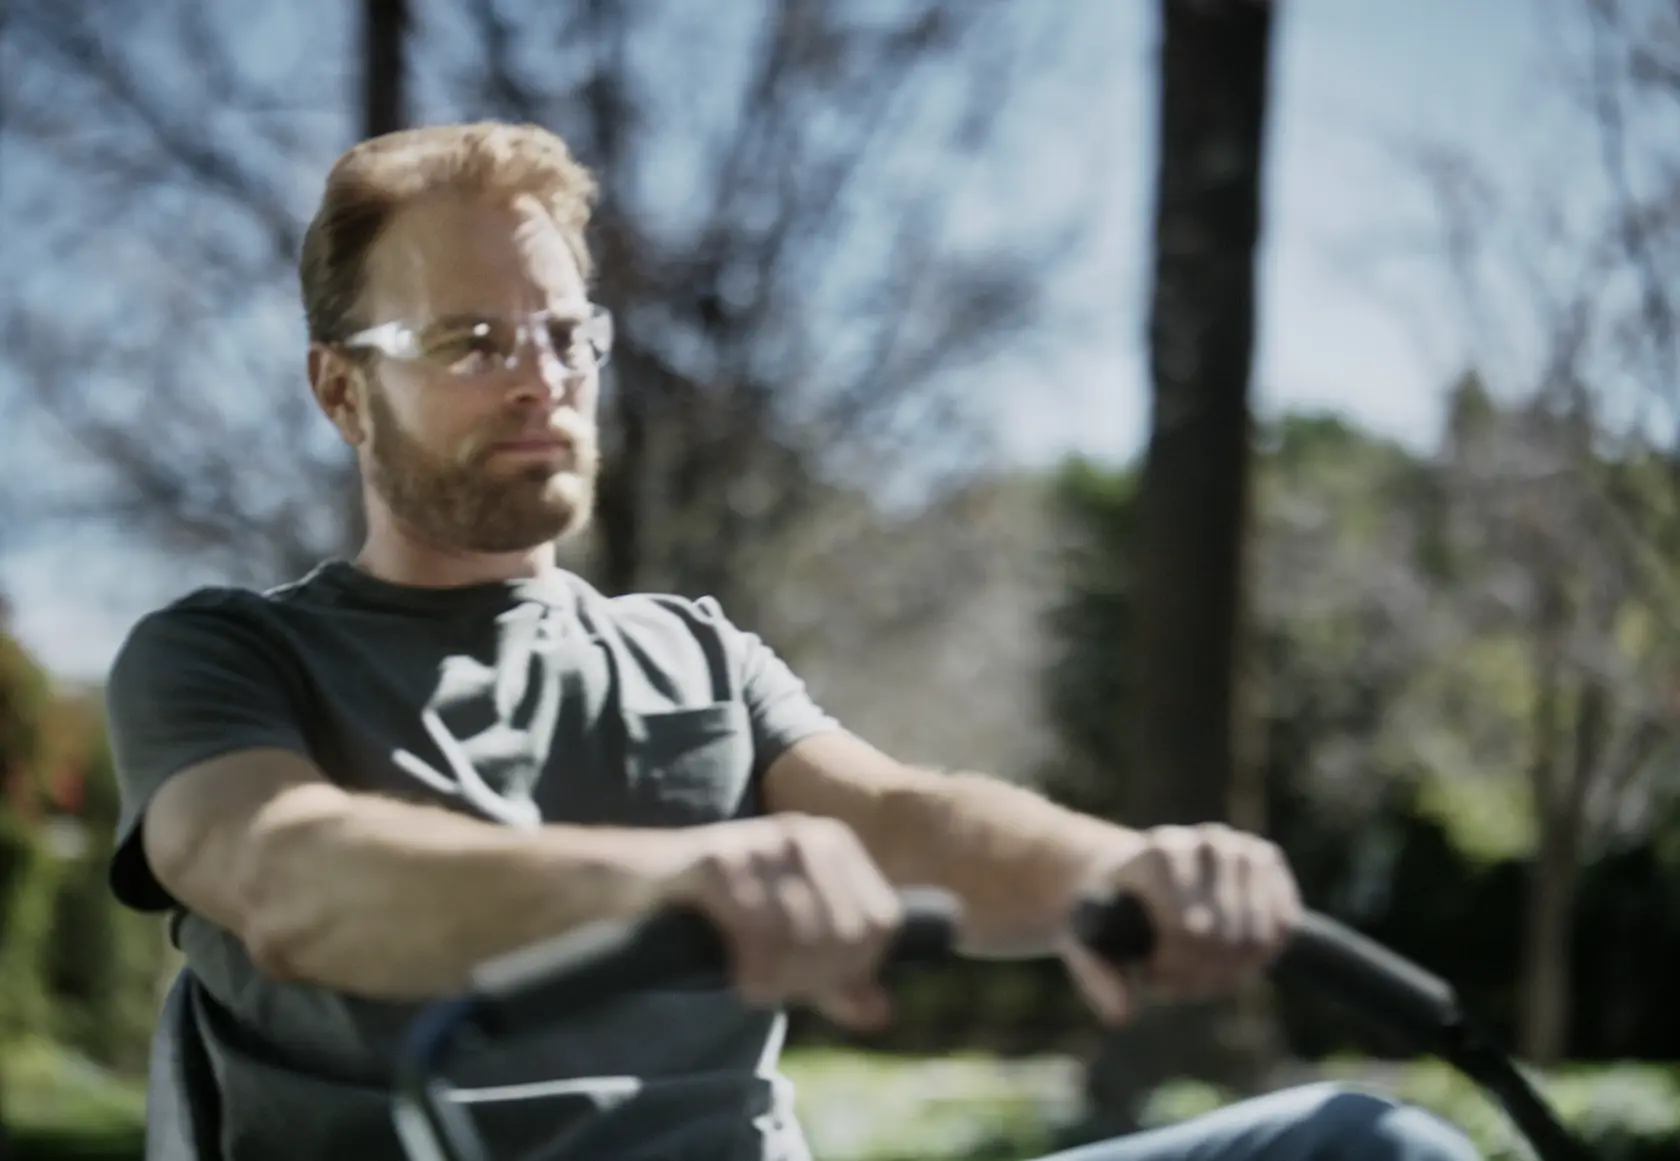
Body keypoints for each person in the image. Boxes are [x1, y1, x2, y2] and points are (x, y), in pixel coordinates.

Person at [104, 122, 1479, 1161]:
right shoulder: (223, 657)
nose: (542, 377)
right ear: (343, 390)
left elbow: (915, 823)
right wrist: (682, 880)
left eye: (568, 333)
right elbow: (291, 876)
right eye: (470, 340)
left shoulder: (696, 656)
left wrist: (1126, 871)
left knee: (1368, 1145)